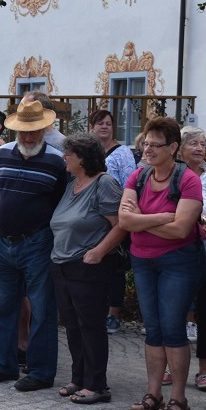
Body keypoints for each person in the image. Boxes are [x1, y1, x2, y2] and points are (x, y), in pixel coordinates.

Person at [0, 99, 67, 390]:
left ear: (44, 129)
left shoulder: (57, 161)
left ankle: (41, 372)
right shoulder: (2, 154)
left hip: (37, 242)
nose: (29, 137)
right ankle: (6, 365)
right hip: (3, 241)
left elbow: (59, 203)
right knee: (4, 307)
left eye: (34, 131)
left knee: (42, 310)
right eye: (24, 132)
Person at [119, 116, 203, 410]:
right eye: (146, 144)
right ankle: (153, 393)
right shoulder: (138, 177)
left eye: (156, 145)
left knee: (172, 328)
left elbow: (182, 231)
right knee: (152, 329)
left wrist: (142, 219)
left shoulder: (188, 180)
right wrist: (162, 217)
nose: (148, 150)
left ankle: (178, 398)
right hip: (143, 261)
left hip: (179, 262)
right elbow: (125, 221)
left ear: (173, 148)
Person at [50, 133, 126, 404]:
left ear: (83, 158)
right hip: (62, 264)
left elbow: (120, 224)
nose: (64, 158)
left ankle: (97, 385)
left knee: (90, 325)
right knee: (72, 325)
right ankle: (79, 377)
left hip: (88, 265)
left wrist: (98, 251)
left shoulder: (103, 184)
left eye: (68, 154)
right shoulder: (72, 183)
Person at [178, 126, 206, 393]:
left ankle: (203, 372)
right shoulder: (175, 176)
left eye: (203, 143)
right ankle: (172, 366)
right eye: (193, 143)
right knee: (176, 311)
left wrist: (203, 221)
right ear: (180, 149)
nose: (199, 148)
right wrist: (195, 222)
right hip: (179, 252)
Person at [89, 108, 136, 333]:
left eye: (108, 123)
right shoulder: (88, 151)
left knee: (115, 266)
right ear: (92, 127)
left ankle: (113, 314)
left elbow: (129, 183)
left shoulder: (122, 152)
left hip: (114, 215)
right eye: (100, 123)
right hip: (91, 216)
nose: (104, 127)